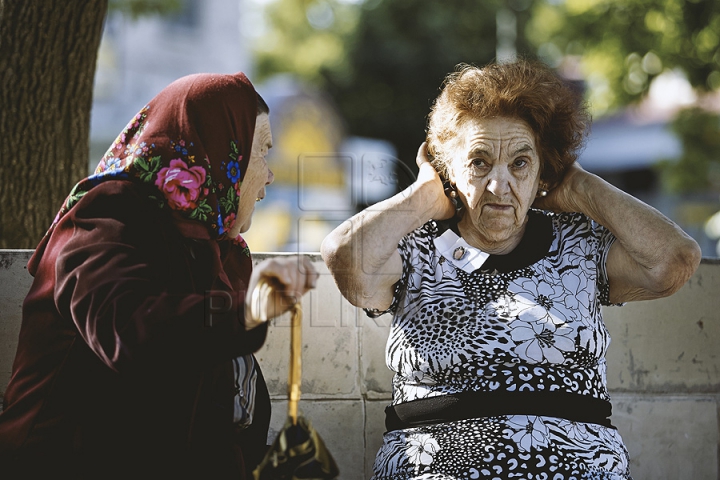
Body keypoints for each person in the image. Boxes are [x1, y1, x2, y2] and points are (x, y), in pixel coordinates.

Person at [321, 60, 701, 479]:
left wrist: (581, 188)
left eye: (520, 163)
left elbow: (674, 261)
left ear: (544, 171)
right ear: (449, 167)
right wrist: (427, 195)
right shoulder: (416, 245)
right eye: (479, 162)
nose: (500, 186)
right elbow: (345, 257)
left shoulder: (579, 243)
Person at [0, 72, 318, 479]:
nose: (268, 176)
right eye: (262, 154)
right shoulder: (104, 218)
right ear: (222, 152)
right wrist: (248, 308)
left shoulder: (215, 254)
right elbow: (131, 331)